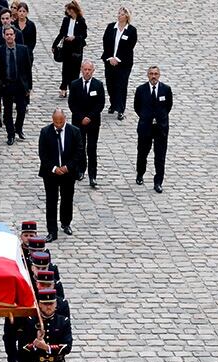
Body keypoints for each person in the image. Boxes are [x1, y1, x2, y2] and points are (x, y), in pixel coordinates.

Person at [37, 109, 83, 241]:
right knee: (51, 201)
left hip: (68, 172)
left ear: (65, 119)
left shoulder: (74, 131)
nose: (58, 124)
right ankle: (52, 230)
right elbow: (43, 154)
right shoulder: (45, 132)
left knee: (67, 198)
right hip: (50, 173)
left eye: (61, 122)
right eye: (56, 122)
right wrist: (54, 168)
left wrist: (68, 167)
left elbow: (79, 151)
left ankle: (66, 222)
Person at [17, 288, 72, 362]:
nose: (48, 307)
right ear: (39, 304)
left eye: (51, 303)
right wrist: (35, 344)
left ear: (56, 304)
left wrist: (46, 347)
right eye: (45, 304)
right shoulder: (29, 321)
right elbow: (22, 347)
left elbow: (66, 346)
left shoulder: (63, 322)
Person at [133, 65, 172, 192]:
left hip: (161, 128)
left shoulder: (166, 89)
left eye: (155, 74)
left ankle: (158, 181)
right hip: (146, 127)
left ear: (159, 75)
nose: (153, 76)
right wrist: (146, 117)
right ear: (148, 75)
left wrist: (160, 119)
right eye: (151, 74)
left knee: (160, 156)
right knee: (142, 153)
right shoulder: (141, 90)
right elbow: (137, 107)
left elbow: (168, 106)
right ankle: (140, 173)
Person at [67, 59, 105, 188]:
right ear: (81, 70)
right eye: (85, 69)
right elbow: (72, 103)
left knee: (92, 149)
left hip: (93, 122)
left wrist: (90, 117)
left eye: (89, 70)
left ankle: (92, 175)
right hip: (78, 122)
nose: (87, 72)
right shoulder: (75, 84)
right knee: (80, 147)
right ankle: (80, 170)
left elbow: (100, 104)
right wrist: (81, 117)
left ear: (93, 71)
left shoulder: (98, 85)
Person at [0, 27, 32, 145]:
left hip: (20, 84)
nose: (9, 36)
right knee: (7, 112)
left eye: (11, 34)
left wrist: (29, 87)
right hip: (6, 85)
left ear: (15, 36)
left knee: (21, 109)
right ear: (4, 36)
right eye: (7, 34)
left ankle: (19, 128)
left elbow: (28, 69)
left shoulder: (23, 49)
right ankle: (10, 134)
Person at [101, 6, 137, 120]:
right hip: (109, 61)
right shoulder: (111, 27)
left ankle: (121, 109)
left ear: (126, 16)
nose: (119, 16)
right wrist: (110, 58)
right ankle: (113, 104)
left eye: (121, 14)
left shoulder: (131, 30)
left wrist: (118, 59)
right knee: (110, 84)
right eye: (118, 13)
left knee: (121, 85)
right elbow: (105, 42)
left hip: (124, 63)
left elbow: (129, 47)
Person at [51, 1, 87, 98]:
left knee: (75, 70)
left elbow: (84, 35)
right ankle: (63, 88)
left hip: (76, 48)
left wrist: (74, 37)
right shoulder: (66, 20)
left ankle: (73, 89)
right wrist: (54, 44)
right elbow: (61, 33)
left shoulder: (81, 20)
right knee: (65, 69)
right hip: (67, 47)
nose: (69, 13)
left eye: (70, 11)